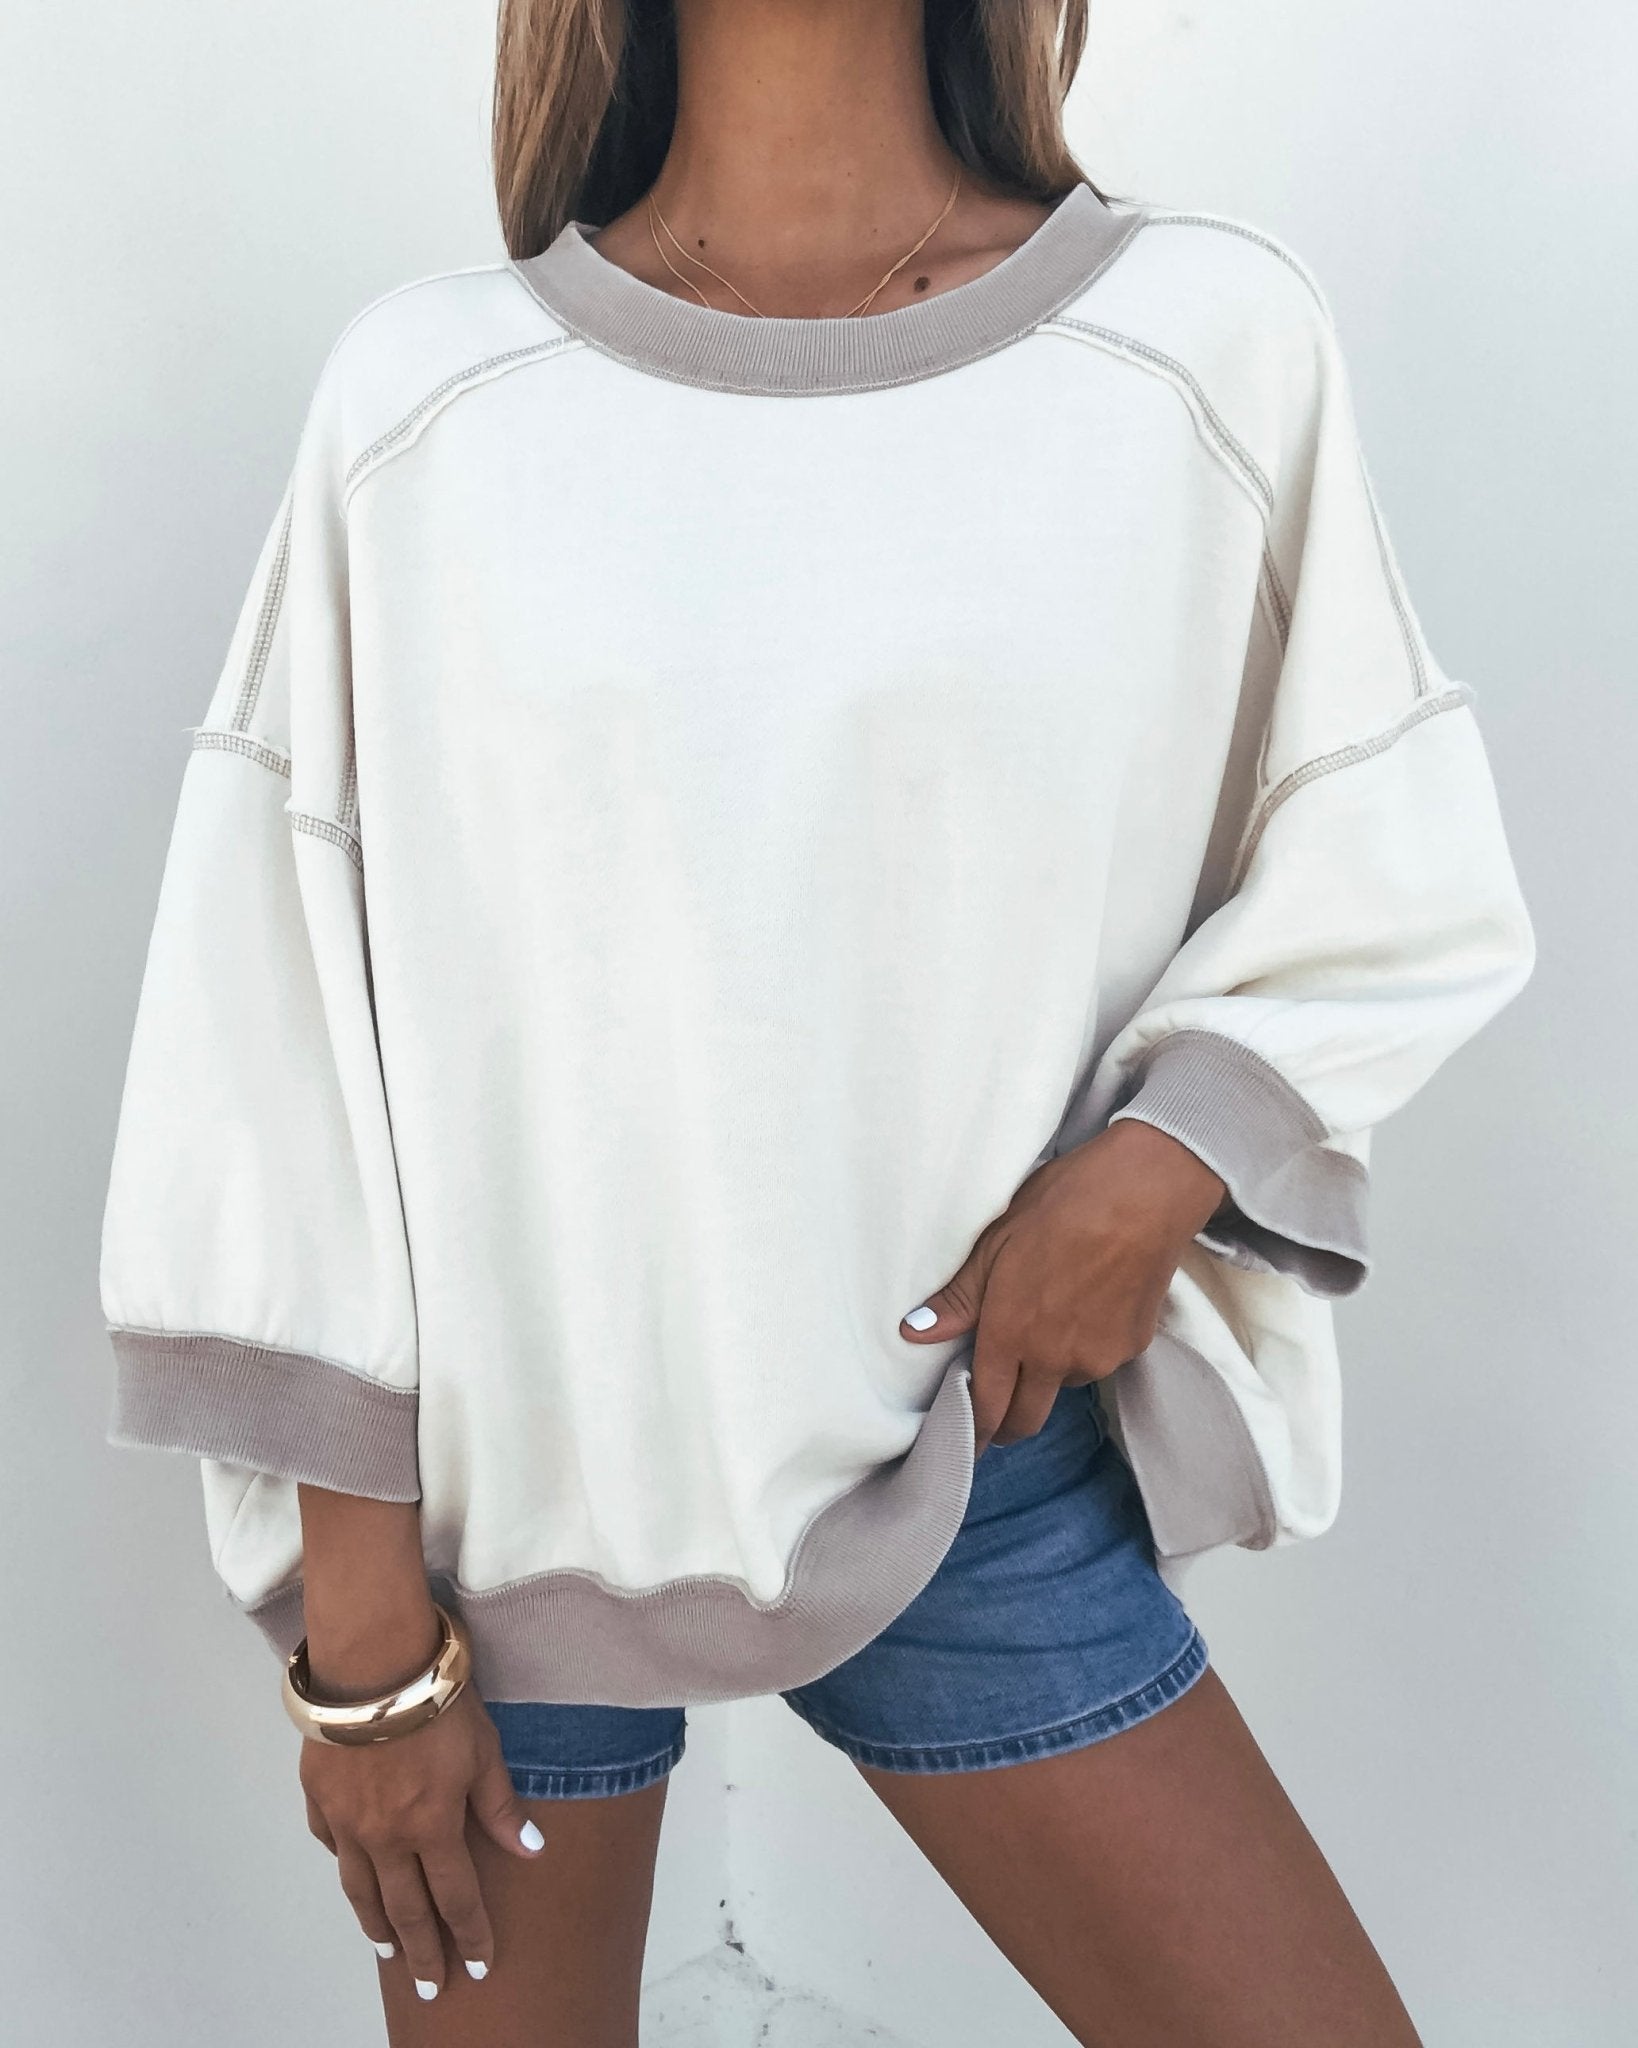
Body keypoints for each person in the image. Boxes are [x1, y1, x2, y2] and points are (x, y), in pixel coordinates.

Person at [97, 1, 1535, 2042]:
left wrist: (1159, 1164)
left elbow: (1388, 832)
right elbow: (283, 1026)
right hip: (508, 1518)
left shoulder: (1203, 347)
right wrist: (366, 1650)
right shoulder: (432, 401)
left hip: (971, 1453)